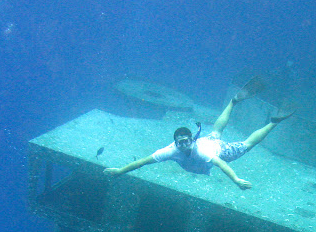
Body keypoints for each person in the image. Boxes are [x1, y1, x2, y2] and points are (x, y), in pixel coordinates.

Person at [103, 76, 294, 190]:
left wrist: (236, 180)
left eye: (186, 141)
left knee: (247, 145)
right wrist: (120, 171)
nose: (183, 145)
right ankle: (233, 101)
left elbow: (221, 164)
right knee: (216, 131)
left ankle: (274, 122)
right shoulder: (170, 151)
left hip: (219, 150)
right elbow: (142, 162)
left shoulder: (201, 152)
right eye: (180, 142)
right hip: (207, 141)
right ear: (175, 143)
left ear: (192, 140)